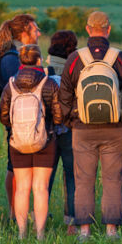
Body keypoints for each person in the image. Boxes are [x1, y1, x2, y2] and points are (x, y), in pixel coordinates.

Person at [58, 11, 122, 240]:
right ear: (109, 29)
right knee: (113, 179)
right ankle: (111, 231)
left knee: (83, 179)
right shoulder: (120, 58)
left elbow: (63, 95)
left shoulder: (75, 58)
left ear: (87, 29)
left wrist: (71, 121)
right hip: (115, 128)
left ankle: (84, 231)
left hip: (82, 128)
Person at [0, 44, 63, 239]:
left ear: (20, 61)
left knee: (22, 188)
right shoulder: (49, 83)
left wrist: (16, 127)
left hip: (17, 142)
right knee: (41, 188)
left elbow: (3, 115)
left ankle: (21, 233)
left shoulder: (10, 84)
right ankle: (40, 234)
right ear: (39, 60)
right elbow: (59, 115)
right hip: (45, 141)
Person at [0, 14, 42, 219]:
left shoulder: (14, 56)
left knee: (18, 167)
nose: (39, 33)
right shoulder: (11, 60)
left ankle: (20, 211)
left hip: (22, 120)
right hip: (18, 121)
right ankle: (16, 213)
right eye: (35, 29)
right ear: (24, 33)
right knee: (15, 167)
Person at [45, 30, 78, 233]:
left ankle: (40, 216)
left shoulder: (45, 67)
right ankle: (72, 222)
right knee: (71, 176)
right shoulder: (74, 67)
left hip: (47, 130)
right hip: (70, 128)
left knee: (45, 176)